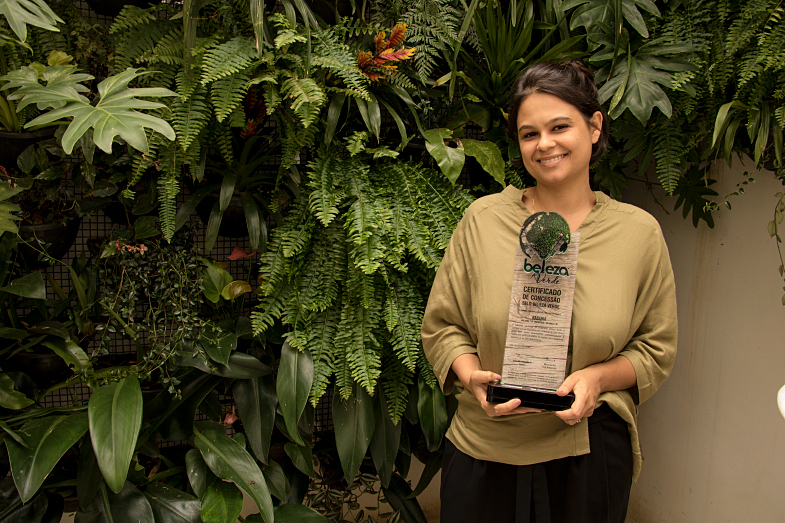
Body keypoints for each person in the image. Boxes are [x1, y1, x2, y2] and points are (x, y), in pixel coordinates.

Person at [421, 61, 678, 523]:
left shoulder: (637, 234)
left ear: (594, 126)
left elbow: (655, 347)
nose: (545, 145)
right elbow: (443, 327)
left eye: (560, 126)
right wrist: (469, 372)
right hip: (484, 448)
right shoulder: (482, 221)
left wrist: (597, 379)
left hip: (586, 452)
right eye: (528, 134)